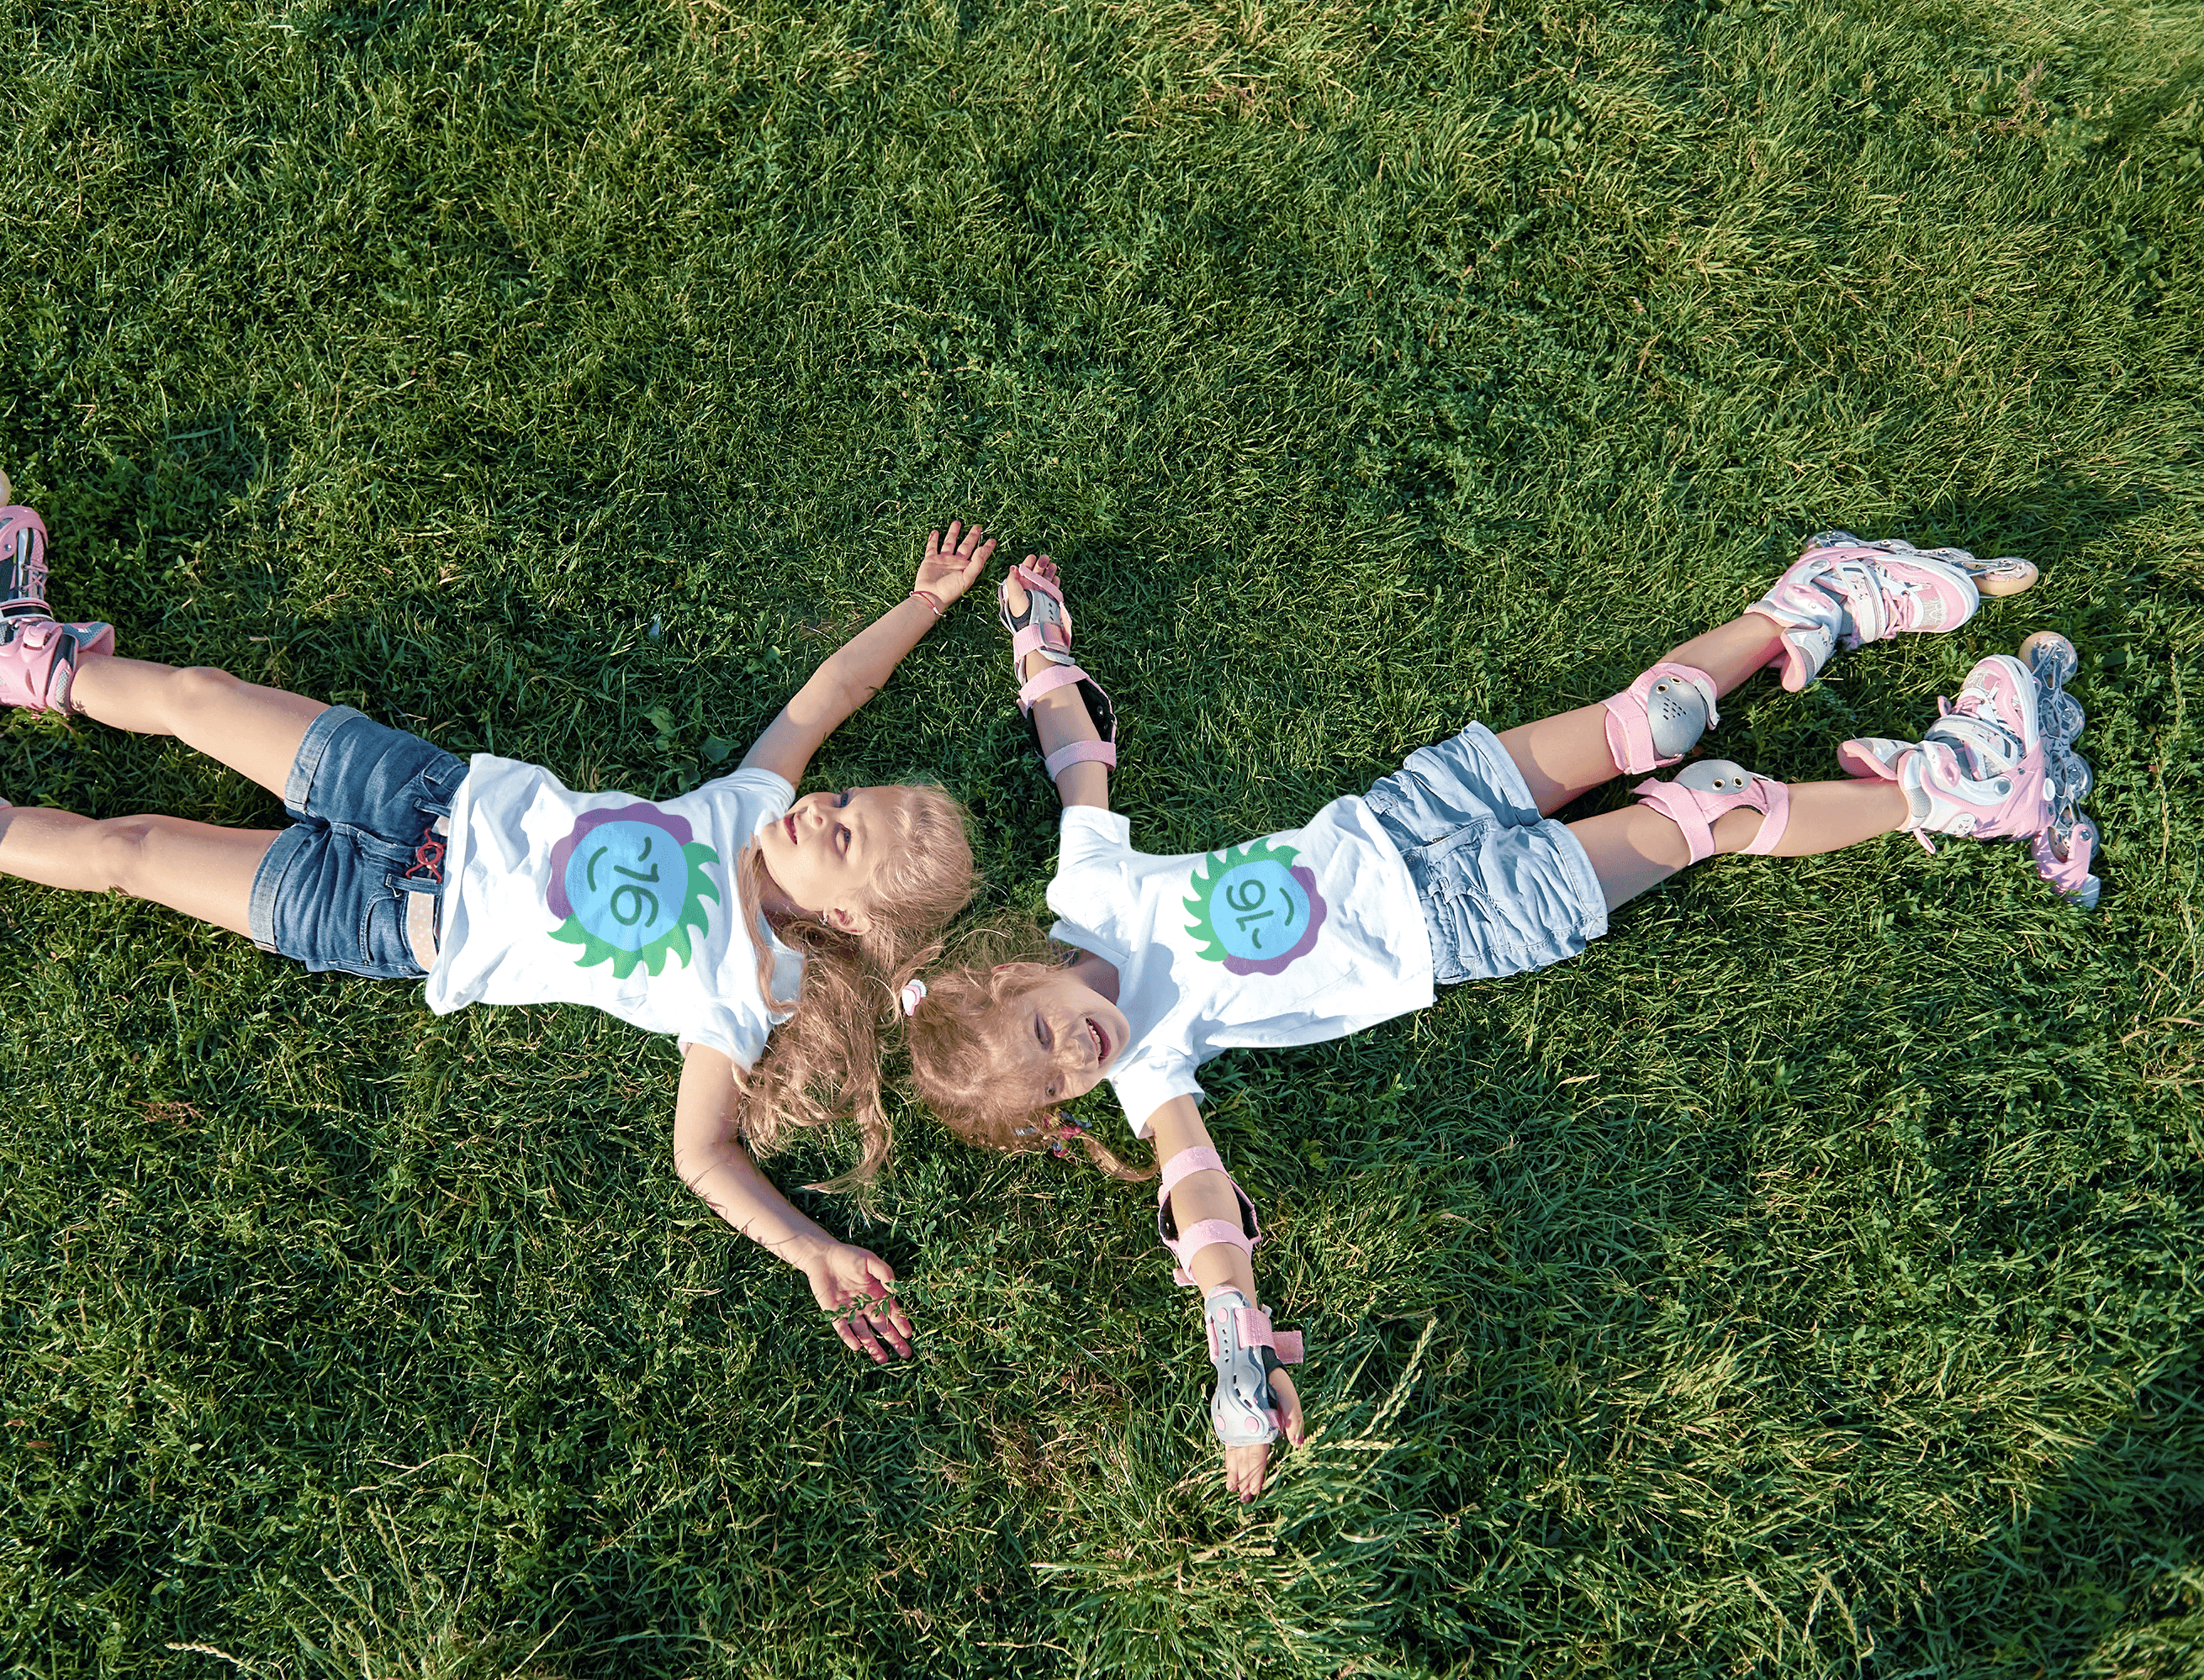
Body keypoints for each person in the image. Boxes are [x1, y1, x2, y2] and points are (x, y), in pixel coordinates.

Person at [0, 468, 1000, 1360]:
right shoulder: (742, 804)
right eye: (850, 800)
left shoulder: (740, 994)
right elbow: (825, 698)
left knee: (133, 853)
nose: (823, 806)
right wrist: (925, 604)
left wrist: (809, 1248)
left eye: (846, 837)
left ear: (843, 922)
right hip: (421, 787)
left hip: (377, 918)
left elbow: (703, 1158)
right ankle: (4, 645)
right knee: (199, 695)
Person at [899, 534, 2098, 1494]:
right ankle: (1962, 790)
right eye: (1057, 1084)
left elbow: (1078, 764)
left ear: (1020, 976)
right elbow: (1196, 1190)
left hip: (1402, 815)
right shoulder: (1148, 1061)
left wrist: (1041, 649)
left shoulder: (1090, 891)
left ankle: (1821, 597)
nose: (1078, 1055)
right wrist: (1237, 1342)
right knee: (1703, 811)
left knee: (1654, 722)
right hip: (1466, 920)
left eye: (1046, 1032)